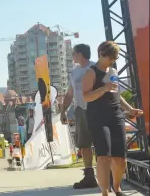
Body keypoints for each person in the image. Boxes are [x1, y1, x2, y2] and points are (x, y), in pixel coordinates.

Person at [82, 41, 143, 196]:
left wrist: (130, 109)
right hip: (98, 117)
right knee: (103, 156)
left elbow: (117, 95)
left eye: (114, 58)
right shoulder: (91, 72)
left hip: (116, 115)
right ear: (101, 54)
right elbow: (86, 96)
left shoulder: (114, 71)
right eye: (111, 57)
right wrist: (104, 88)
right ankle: (104, 191)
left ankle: (117, 187)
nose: (112, 61)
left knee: (120, 157)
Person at [61, 44, 98, 189]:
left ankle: (108, 174)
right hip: (80, 110)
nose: (72, 56)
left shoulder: (95, 68)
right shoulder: (74, 73)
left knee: (101, 142)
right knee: (84, 144)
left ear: (81, 54)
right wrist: (63, 110)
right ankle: (89, 177)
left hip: (96, 109)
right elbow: (70, 93)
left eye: (74, 53)